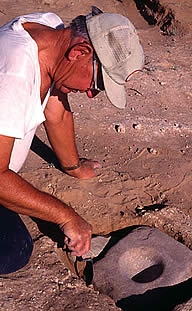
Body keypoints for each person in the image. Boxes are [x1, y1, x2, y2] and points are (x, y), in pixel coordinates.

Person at [0, 6, 144, 274]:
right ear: (80, 51)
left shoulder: (51, 32)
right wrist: (66, 216)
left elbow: (56, 111)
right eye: (98, 83)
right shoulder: (12, 76)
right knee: (12, 250)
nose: (92, 94)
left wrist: (74, 166)